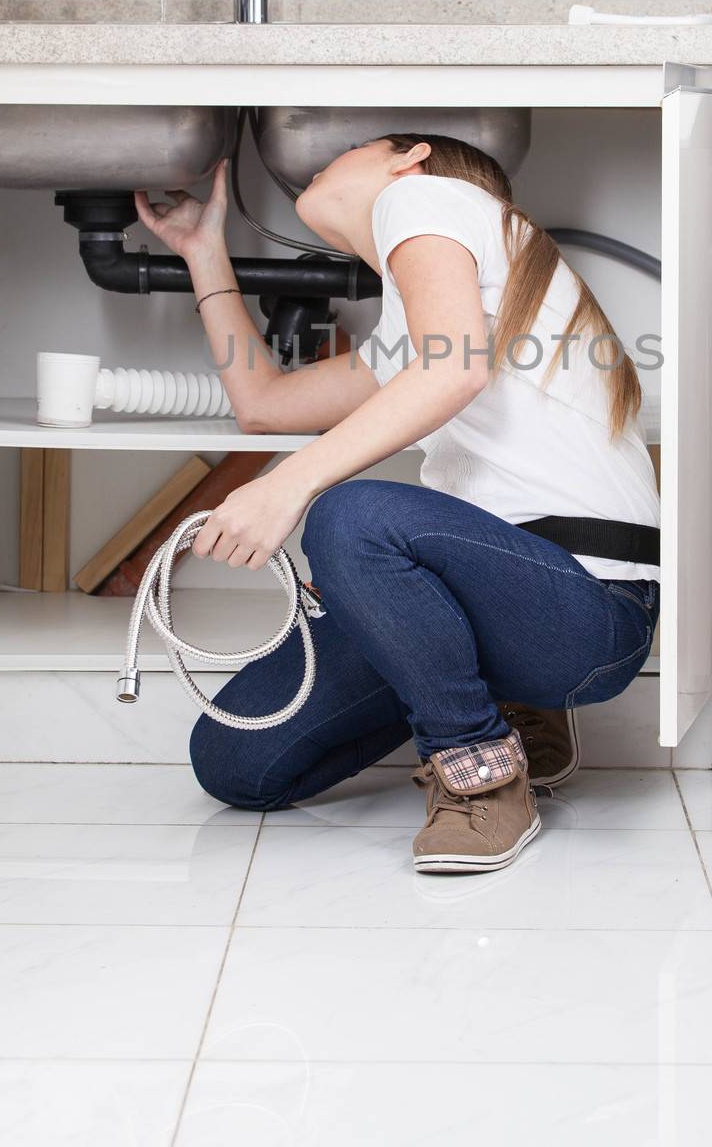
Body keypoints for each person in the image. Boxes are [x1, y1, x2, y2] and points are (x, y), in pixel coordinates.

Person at [133, 133, 660, 875]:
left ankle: (480, 771)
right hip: (502, 599)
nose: (318, 167)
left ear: (409, 158)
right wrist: (200, 248)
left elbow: (453, 373)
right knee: (234, 761)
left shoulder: (428, 197)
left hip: (586, 609)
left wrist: (287, 485)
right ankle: (509, 703)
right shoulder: (407, 335)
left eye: (349, 150)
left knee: (354, 515)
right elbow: (263, 404)